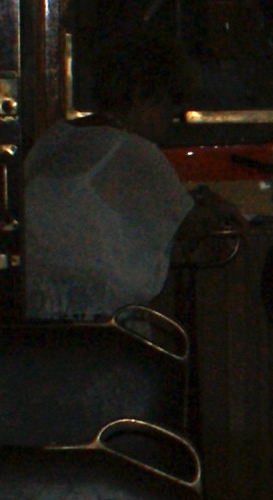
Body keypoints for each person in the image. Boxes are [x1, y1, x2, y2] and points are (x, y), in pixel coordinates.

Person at [19, 31, 199, 320]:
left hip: (37, 317)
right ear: (145, 97)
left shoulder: (57, 139)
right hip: (102, 324)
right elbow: (188, 223)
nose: (171, 122)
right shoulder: (132, 152)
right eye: (170, 108)